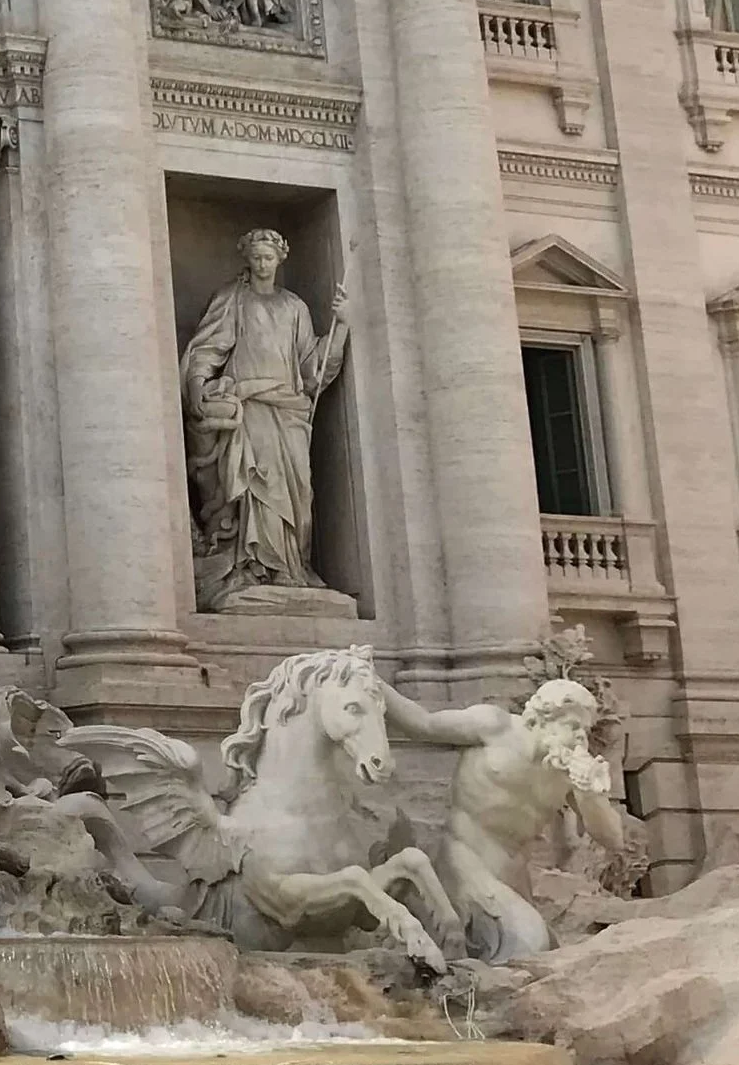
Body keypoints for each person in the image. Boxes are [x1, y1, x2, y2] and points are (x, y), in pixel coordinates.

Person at [381, 675, 641, 959]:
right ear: (539, 721)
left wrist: (589, 795)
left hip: (513, 877)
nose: (581, 737)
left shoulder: (570, 771)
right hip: (464, 859)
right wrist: (370, 682)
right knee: (528, 942)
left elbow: (613, 839)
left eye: (585, 730)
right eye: (572, 726)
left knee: (546, 952)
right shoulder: (495, 727)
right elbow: (423, 724)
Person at [180, 228, 349, 607]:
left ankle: (291, 567)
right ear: (247, 259)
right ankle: (249, 567)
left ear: (279, 260)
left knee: (296, 493)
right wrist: (197, 386)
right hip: (250, 408)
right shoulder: (232, 299)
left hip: (288, 411)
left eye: (268, 257)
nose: (261, 263)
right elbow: (207, 348)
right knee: (253, 486)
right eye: (256, 257)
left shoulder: (294, 308)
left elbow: (311, 370)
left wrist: (341, 328)